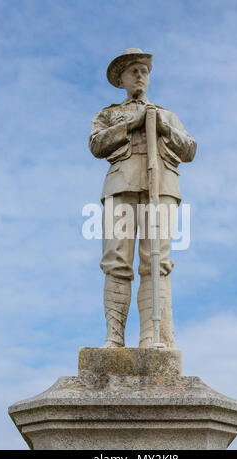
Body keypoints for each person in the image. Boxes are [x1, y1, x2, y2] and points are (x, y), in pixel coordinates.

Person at [89, 48, 197, 348]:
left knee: (156, 262)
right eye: (134, 71)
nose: (140, 76)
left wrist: (161, 126)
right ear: (121, 78)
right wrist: (130, 125)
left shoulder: (166, 114)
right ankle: (114, 338)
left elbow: (189, 149)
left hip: (161, 187)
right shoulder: (109, 114)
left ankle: (152, 336)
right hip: (120, 186)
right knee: (116, 262)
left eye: (144, 71)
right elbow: (96, 144)